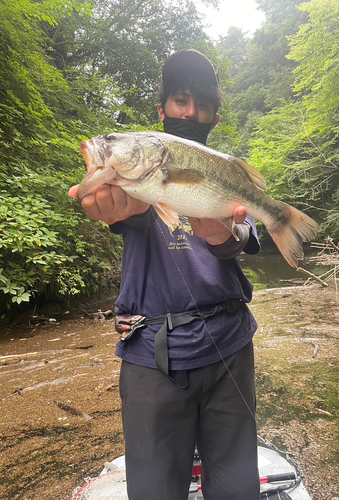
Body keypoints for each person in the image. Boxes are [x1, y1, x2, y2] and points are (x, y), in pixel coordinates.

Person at [70, 49, 261, 500]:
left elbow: (245, 239)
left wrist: (221, 233)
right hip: (150, 357)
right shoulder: (132, 175)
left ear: (215, 117)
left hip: (230, 347)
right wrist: (117, 208)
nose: (190, 112)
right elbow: (129, 212)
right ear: (161, 110)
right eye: (180, 100)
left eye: (203, 105)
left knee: (237, 489)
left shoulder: (227, 172)